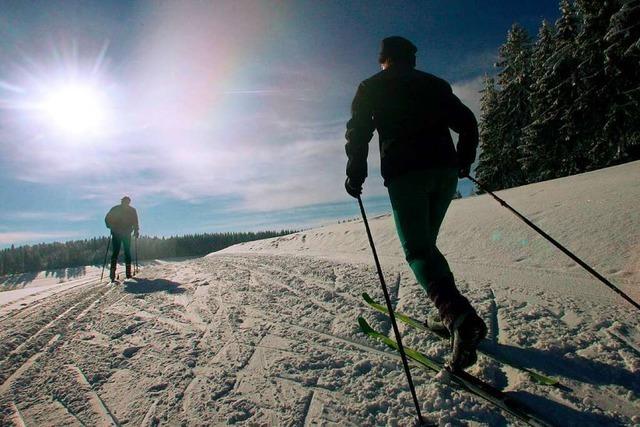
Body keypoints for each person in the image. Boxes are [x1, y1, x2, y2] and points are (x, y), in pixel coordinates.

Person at [344, 36, 487, 371]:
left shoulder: (371, 86)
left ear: (384, 59)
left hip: (407, 174)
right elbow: (467, 123)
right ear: (412, 59)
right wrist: (464, 160)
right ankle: (448, 313)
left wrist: (356, 172)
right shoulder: (435, 85)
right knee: (427, 246)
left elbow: (359, 132)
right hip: (445, 172)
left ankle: (461, 318)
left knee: (418, 251)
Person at [105, 196, 139, 282]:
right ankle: (127, 274)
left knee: (116, 252)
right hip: (125, 233)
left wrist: (110, 226)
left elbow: (107, 219)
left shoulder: (115, 209)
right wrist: (136, 231)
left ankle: (112, 274)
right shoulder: (132, 210)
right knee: (126, 252)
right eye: (126, 202)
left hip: (117, 233)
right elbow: (135, 222)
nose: (126, 203)